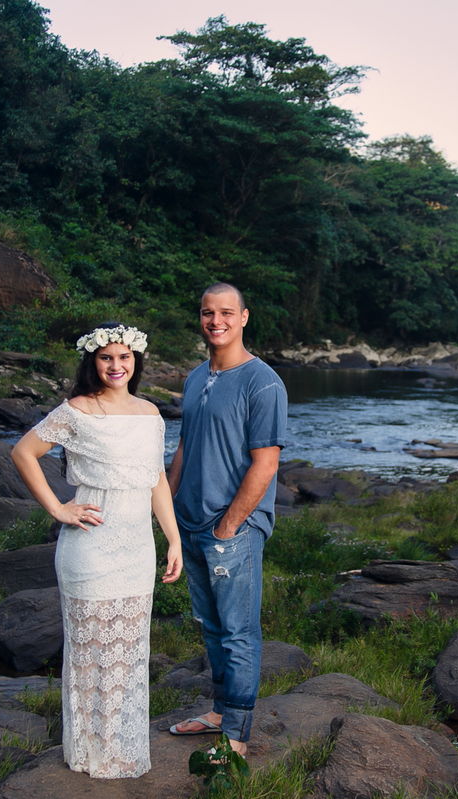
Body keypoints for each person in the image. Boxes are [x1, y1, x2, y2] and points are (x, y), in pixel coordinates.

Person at [11, 322, 183, 779]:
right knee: (89, 653)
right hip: (89, 548)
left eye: (124, 358)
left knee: (128, 651)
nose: (116, 366)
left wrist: (174, 538)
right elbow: (24, 453)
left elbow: (157, 480)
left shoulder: (150, 413)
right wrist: (58, 509)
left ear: (135, 362)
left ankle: (122, 749)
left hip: (137, 550)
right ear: (93, 361)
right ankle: (88, 751)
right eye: (106, 357)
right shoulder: (74, 411)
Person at [166, 283, 287, 757]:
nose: (216, 321)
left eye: (226, 313)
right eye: (207, 313)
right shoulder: (197, 377)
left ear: (243, 317)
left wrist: (229, 526)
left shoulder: (263, 382)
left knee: (238, 631)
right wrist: (168, 509)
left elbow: (266, 464)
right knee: (212, 627)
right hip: (190, 523)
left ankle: (235, 738)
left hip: (230, 529)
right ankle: (219, 712)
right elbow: (183, 447)